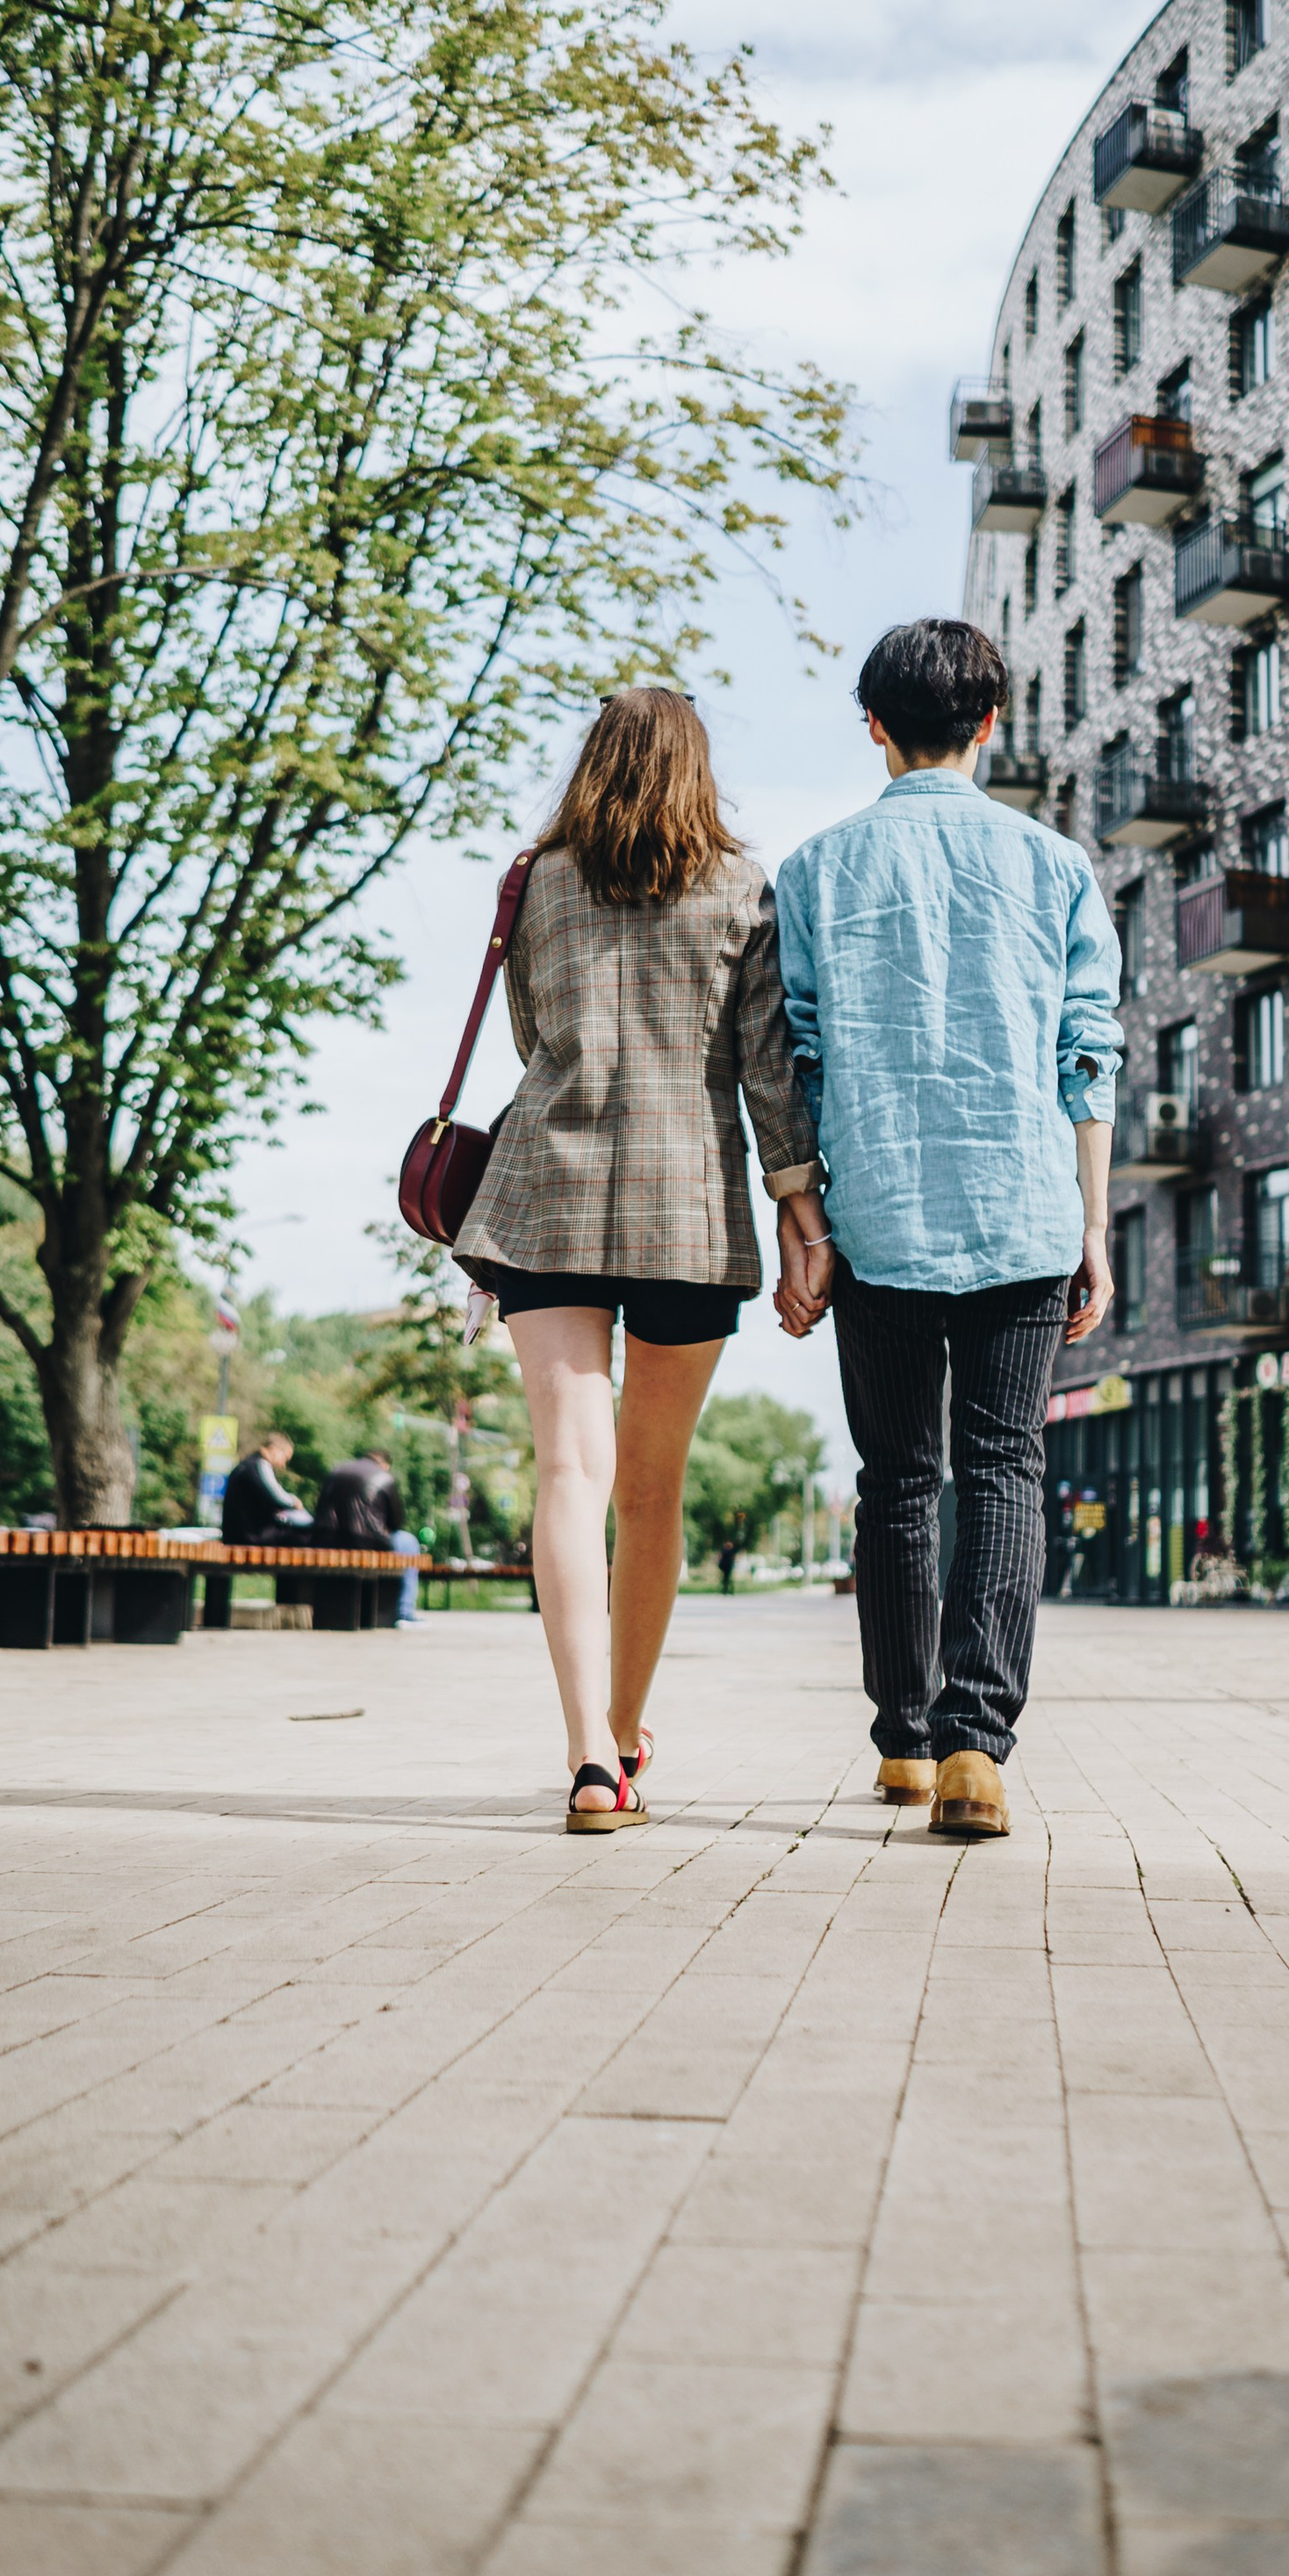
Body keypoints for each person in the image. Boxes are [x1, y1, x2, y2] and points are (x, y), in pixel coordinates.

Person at [774, 618, 1122, 1841]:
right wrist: (1095, 1222)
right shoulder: (1056, 866)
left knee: (898, 1482)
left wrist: (803, 1224)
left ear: (874, 727)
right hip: (1025, 1208)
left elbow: (795, 1057)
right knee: (1005, 1470)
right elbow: (1088, 1058)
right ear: (992, 724)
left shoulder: (814, 872)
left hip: (875, 1216)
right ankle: (979, 1745)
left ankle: (905, 1743)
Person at [455, 687, 827, 1831]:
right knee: (653, 1491)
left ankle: (584, 1759)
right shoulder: (738, 891)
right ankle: (623, 1736)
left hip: (546, 1201)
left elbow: (528, 1041)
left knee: (569, 1475)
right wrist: (801, 1219)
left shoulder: (537, 883)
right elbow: (768, 1073)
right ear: (696, 768)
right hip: (685, 1212)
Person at [220, 1432, 313, 1544]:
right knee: (307, 1536)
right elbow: (277, 1496)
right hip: (253, 1536)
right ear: (275, 1450)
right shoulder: (260, 1465)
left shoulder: (245, 1465)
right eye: (285, 1458)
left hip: (237, 1535)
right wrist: (294, 1502)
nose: (284, 1465)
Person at [311, 1449, 404, 1547]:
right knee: (404, 1540)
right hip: (366, 1544)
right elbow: (395, 1522)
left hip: (324, 1539)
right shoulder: (384, 1477)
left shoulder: (336, 1470)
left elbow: (317, 1505)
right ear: (386, 1465)